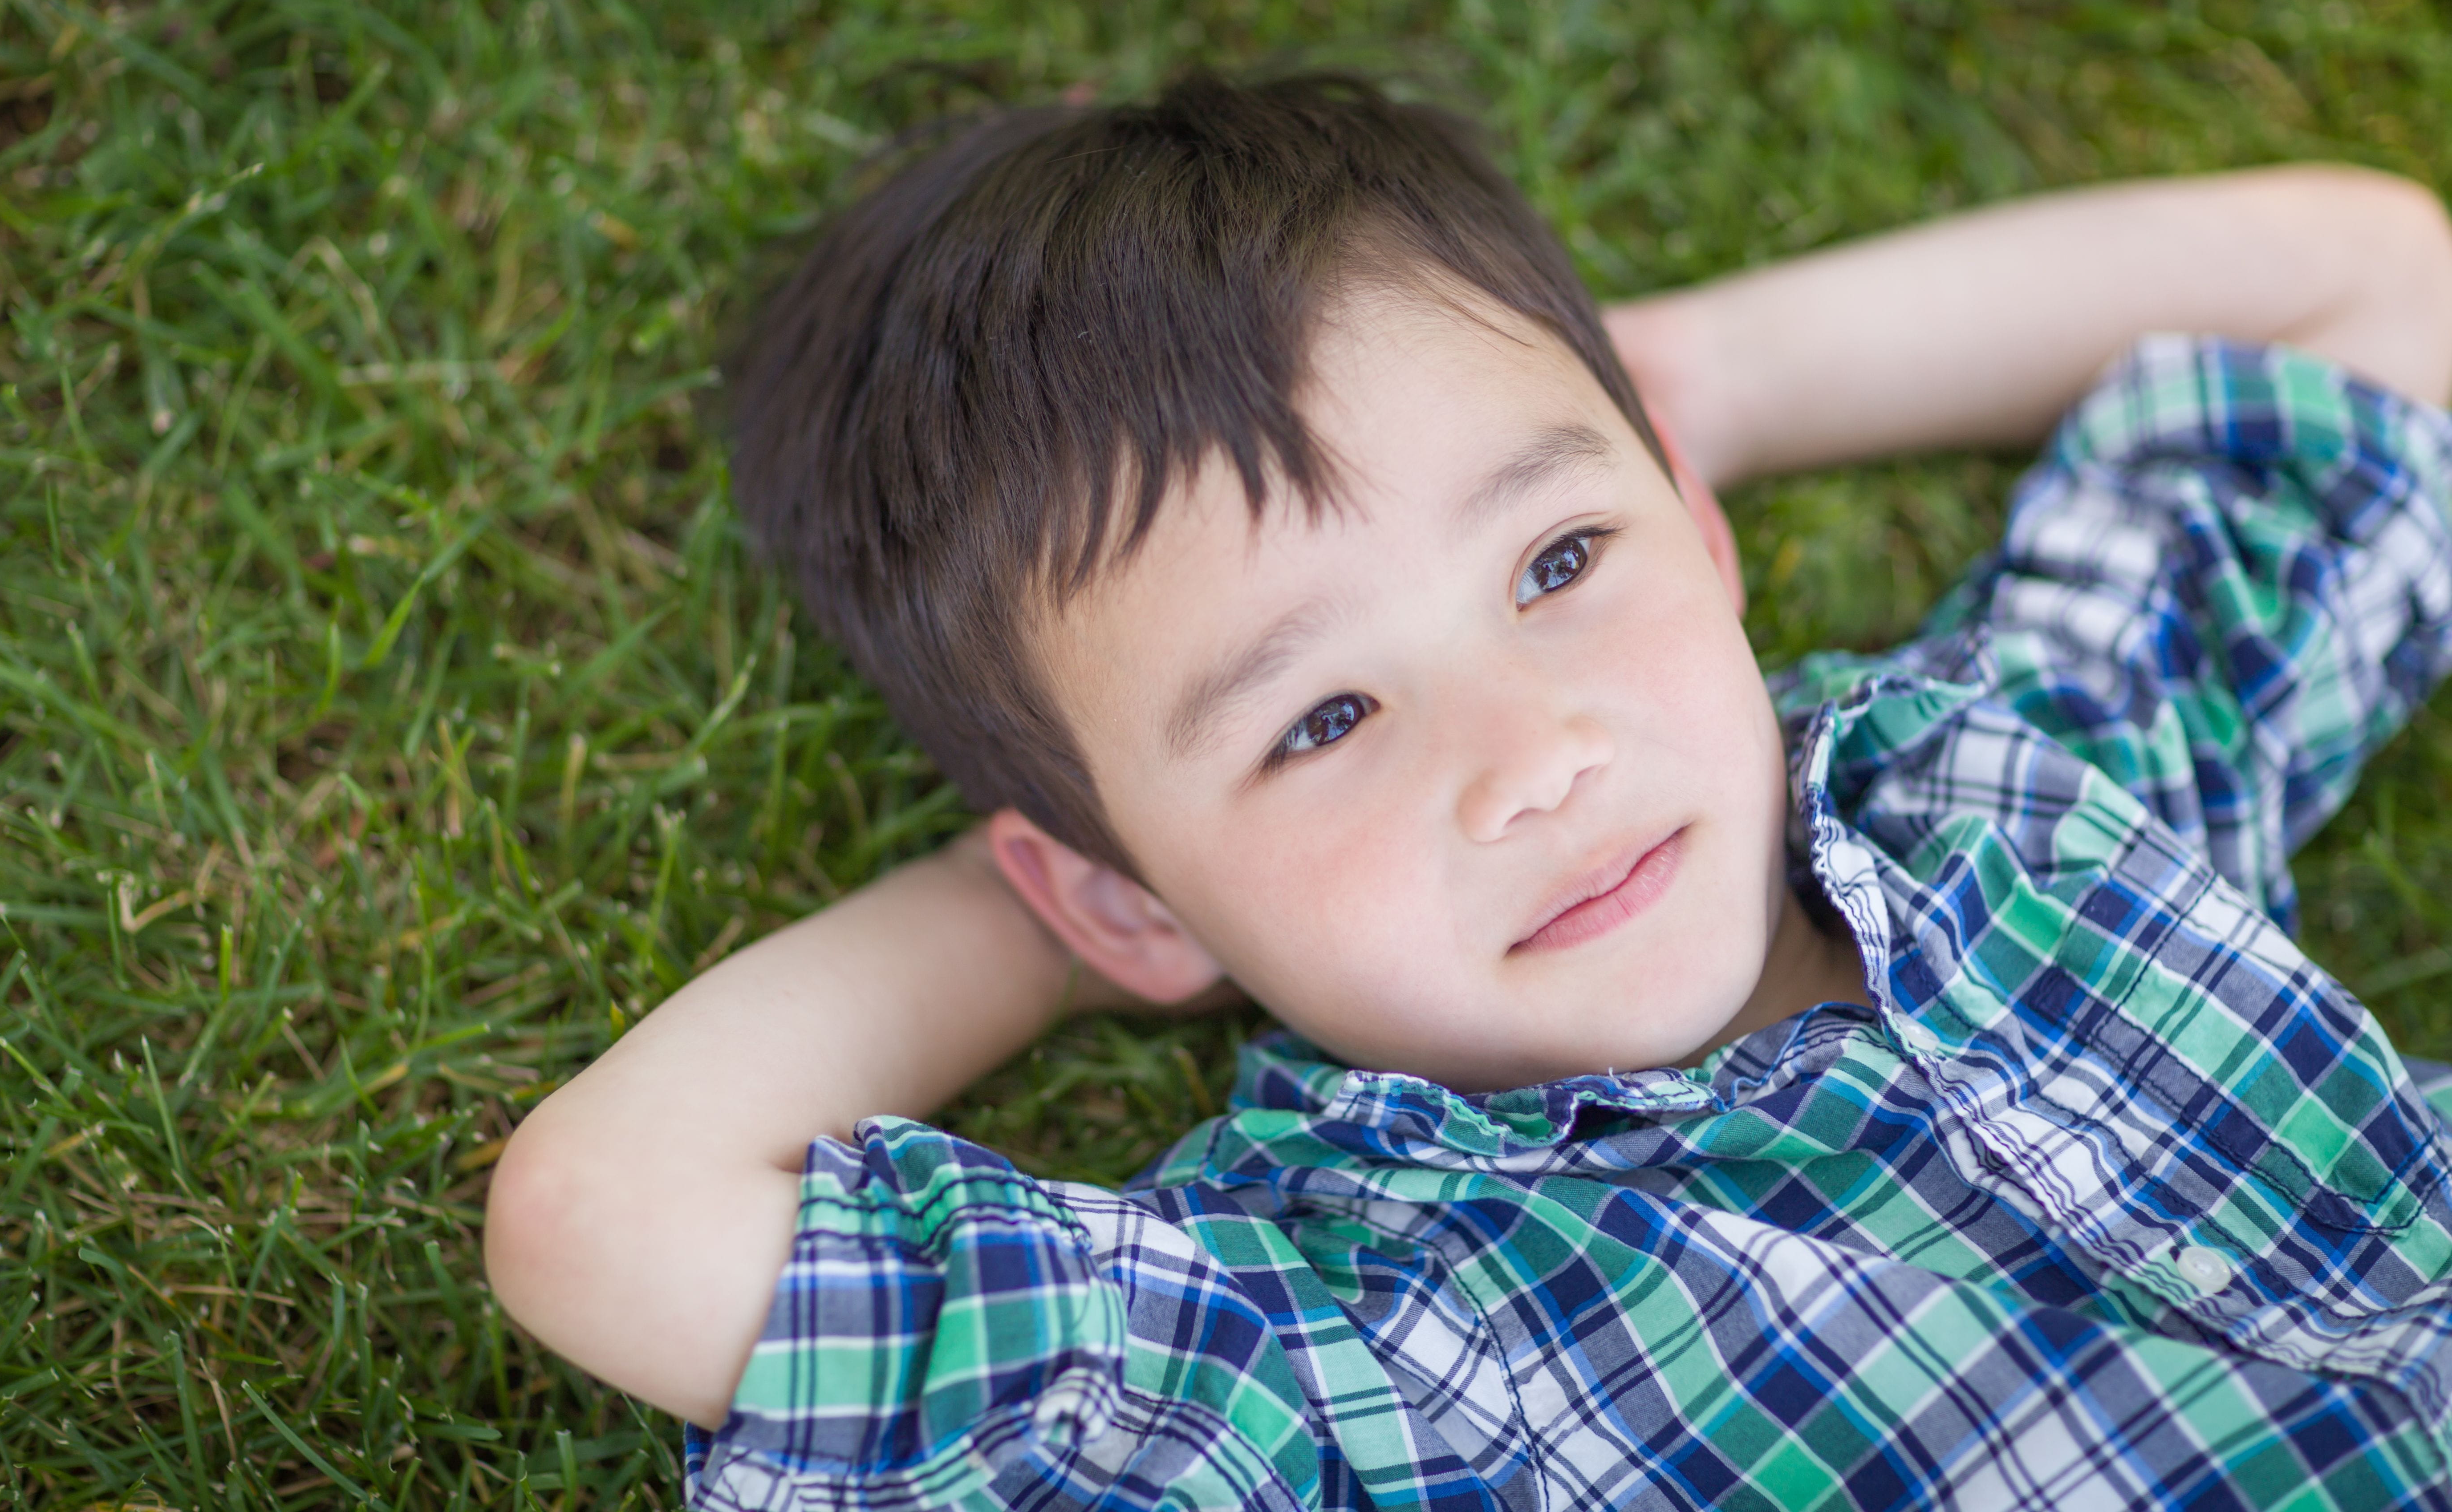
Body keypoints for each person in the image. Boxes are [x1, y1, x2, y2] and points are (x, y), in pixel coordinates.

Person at [482, 74, 2452, 1508]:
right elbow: (605, 1213)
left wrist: (1695, 384)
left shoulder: (2004, 786)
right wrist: (1070, 906)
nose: (1539, 757)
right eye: (1320, 722)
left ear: (1687, 520)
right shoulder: (1340, 1330)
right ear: (1132, 900)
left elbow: (2371, 283)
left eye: (1559, 561)